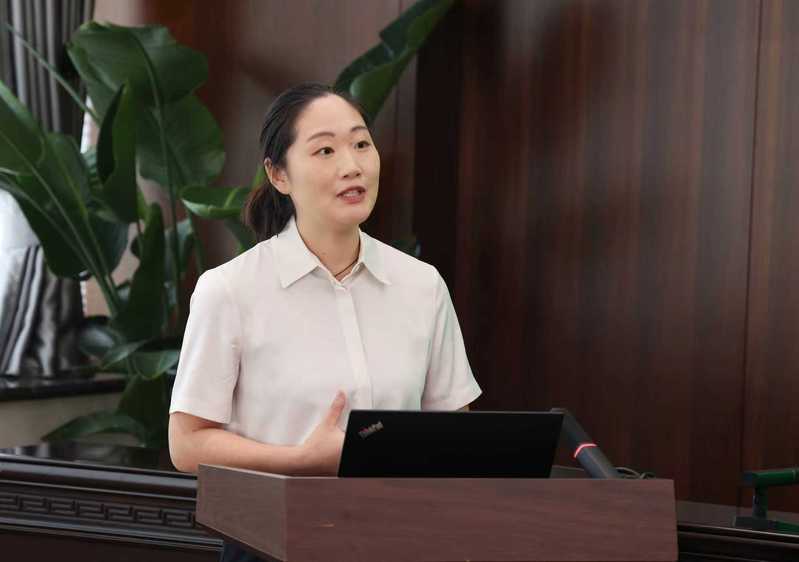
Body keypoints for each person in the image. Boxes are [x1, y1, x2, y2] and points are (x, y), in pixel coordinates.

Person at [167, 82, 482, 562]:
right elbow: (186, 444)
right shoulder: (229, 290)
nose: (351, 165)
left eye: (361, 144)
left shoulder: (422, 285)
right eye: (325, 151)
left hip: (399, 538)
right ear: (279, 175)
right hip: (273, 542)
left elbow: (454, 430)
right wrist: (297, 462)